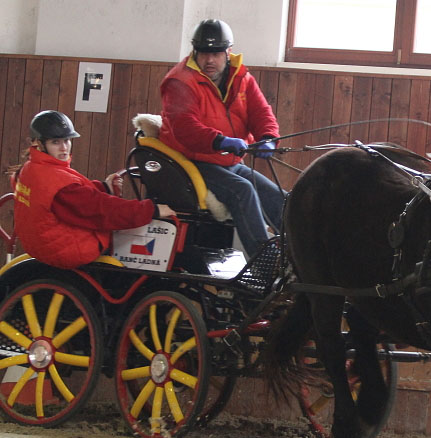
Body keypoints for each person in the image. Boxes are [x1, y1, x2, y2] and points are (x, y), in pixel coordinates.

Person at [158, 18, 285, 258]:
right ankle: (264, 264)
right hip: (191, 162)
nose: (209, 60)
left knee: (279, 196)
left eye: (215, 53)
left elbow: (262, 114)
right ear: (195, 52)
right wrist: (220, 141)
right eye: (204, 53)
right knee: (242, 191)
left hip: (229, 162)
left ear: (228, 52)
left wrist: (268, 137)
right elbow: (185, 128)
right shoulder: (179, 82)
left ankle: (296, 261)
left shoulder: (243, 78)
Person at [12, 110, 175, 270]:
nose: (64, 148)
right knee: (126, 239)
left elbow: (75, 200)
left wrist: (104, 187)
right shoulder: (57, 182)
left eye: (67, 140)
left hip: (43, 242)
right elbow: (100, 209)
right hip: (66, 249)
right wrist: (151, 210)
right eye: (56, 142)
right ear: (38, 144)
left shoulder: (31, 168)